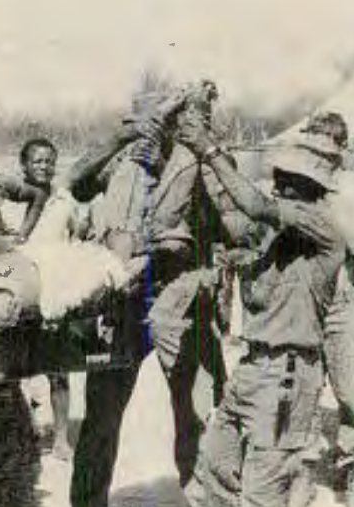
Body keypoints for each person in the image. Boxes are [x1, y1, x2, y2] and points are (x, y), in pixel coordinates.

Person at [67, 80, 240, 507]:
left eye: (165, 122)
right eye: (148, 122)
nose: (158, 130)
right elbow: (76, 182)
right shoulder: (125, 160)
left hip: (180, 299)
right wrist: (123, 139)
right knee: (102, 416)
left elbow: (231, 226)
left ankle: (204, 498)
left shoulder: (202, 161)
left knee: (196, 413)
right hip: (123, 302)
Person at [177, 104, 346, 507]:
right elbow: (234, 219)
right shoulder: (278, 235)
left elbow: (253, 207)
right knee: (216, 468)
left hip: (287, 373)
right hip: (254, 368)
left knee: (263, 491)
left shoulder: (320, 225)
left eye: (284, 180)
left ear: (305, 187)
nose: (275, 185)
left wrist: (209, 149)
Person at [289, 112, 354, 507]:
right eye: (311, 145)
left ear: (340, 148)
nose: (317, 153)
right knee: (299, 389)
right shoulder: (291, 183)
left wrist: (325, 208)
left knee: (353, 389)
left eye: (325, 145)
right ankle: (302, 471)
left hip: (346, 298)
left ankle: (353, 467)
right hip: (304, 300)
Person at [0, 136, 87, 460]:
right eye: (37, 161)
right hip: (19, 286)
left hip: (54, 290)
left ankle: (61, 440)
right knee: (15, 367)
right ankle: (21, 434)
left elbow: (78, 234)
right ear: (23, 165)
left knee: (59, 368)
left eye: (49, 161)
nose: (44, 167)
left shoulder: (64, 201)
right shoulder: (10, 201)